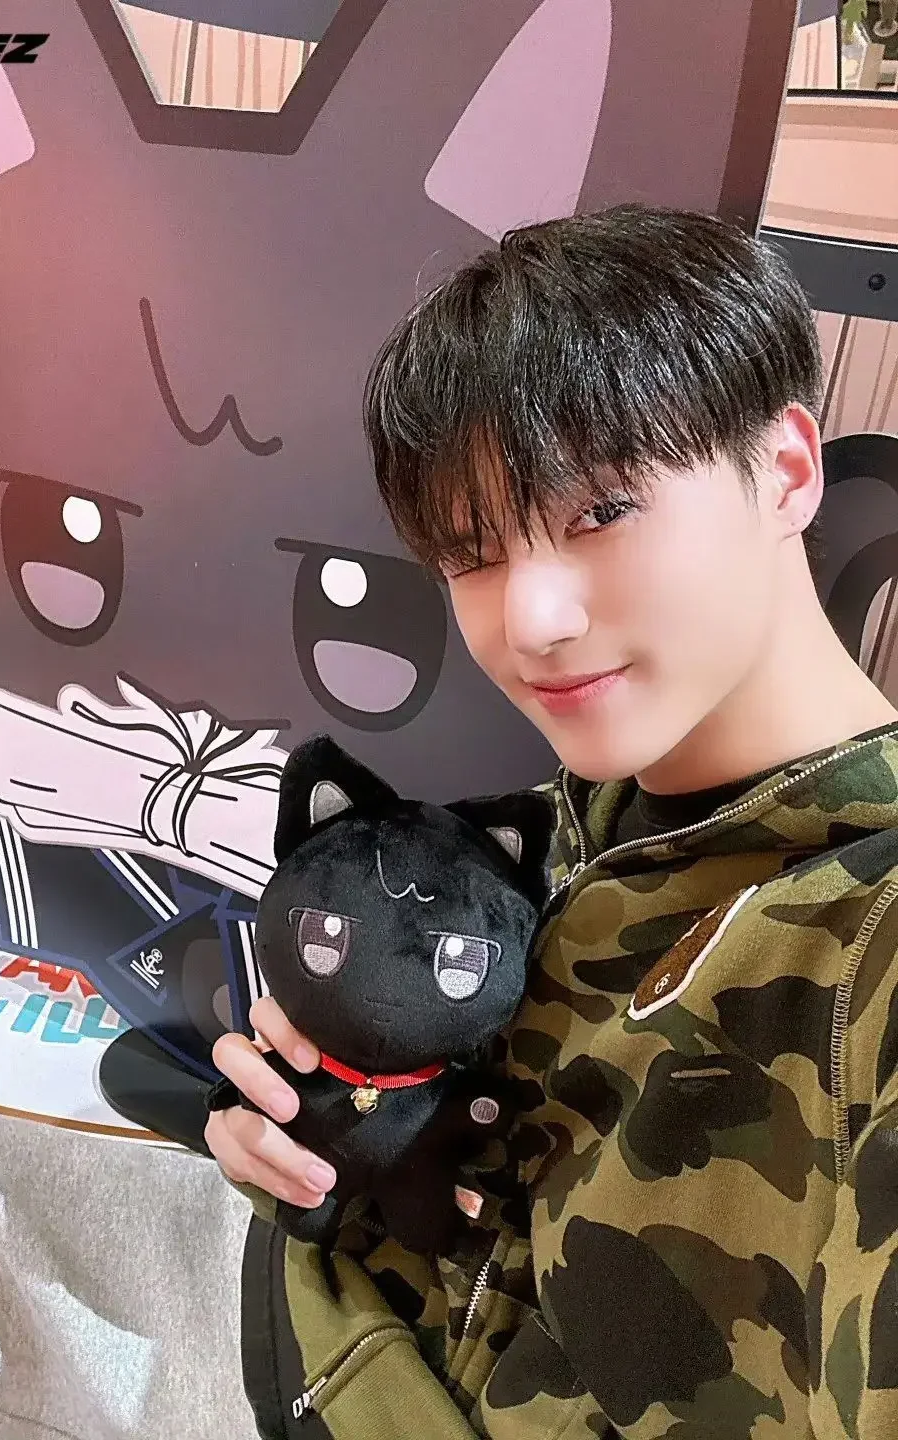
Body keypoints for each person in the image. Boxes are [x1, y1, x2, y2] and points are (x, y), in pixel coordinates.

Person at [206, 203, 898, 1438]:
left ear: (788, 471)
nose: (530, 621)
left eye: (603, 511)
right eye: (470, 552)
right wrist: (316, 1142)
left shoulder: (871, 945)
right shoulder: (533, 838)